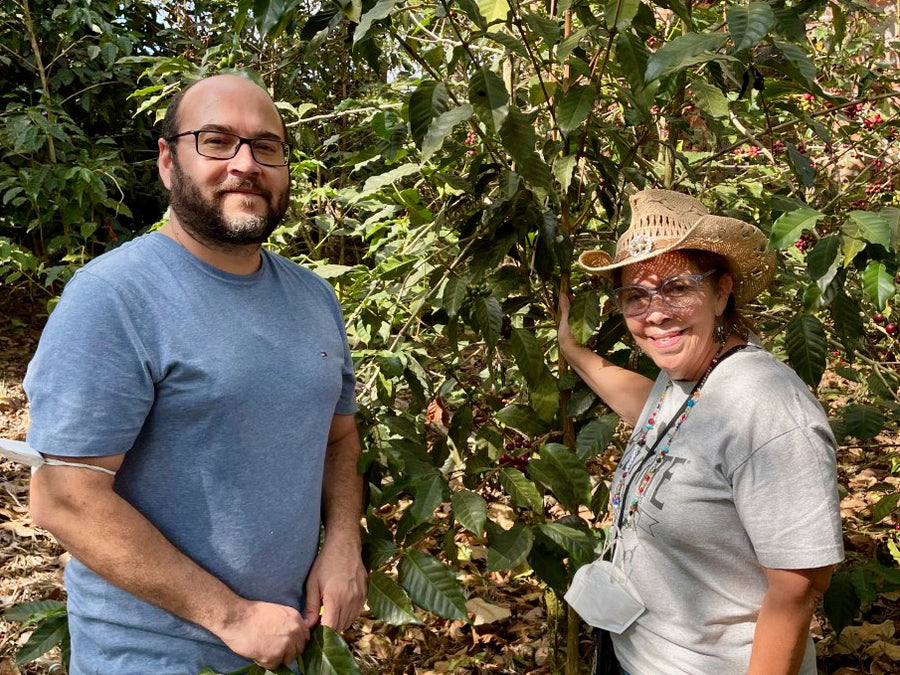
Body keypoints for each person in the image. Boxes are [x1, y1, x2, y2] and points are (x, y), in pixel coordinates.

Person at [24, 73, 367, 674]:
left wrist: (342, 542)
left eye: (267, 146)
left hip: (293, 642)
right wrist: (232, 617)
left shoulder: (315, 298)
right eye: (216, 141)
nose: (245, 164)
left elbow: (338, 438)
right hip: (153, 657)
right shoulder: (112, 298)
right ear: (167, 161)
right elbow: (65, 498)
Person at [558, 189, 844, 675]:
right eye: (636, 296)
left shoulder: (768, 407)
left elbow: (799, 586)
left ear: (721, 290)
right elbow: (649, 408)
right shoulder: (689, 379)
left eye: (677, 288)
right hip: (633, 649)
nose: (655, 312)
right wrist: (572, 349)